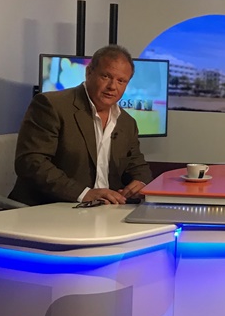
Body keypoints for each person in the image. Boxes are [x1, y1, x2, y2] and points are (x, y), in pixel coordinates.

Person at [9, 44, 153, 206]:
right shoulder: (51, 105)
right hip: (53, 206)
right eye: (106, 76)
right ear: (89, 72)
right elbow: (31, 162)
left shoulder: (127, 122)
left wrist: (141, 182)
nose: (112, 86)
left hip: (106, 209)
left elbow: (137, 165)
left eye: (121, 81)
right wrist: (83, 194)